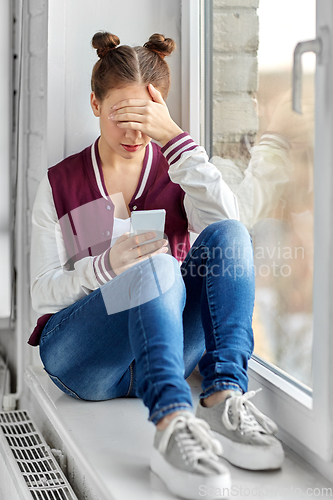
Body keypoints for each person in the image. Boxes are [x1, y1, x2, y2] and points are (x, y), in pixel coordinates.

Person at [29, 32, 284, 500]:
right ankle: (169, 423)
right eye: (120, 117)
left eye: (145, 118)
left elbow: (230, 243)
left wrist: (177, 141)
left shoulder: (179, 168)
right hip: (84, 359)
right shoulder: (58, 183)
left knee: (229, 234)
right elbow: (41, 294)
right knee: (162, 268)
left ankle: (222, 397)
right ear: (94, 104)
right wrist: (105, 267)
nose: (133, 133)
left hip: (170, 351)